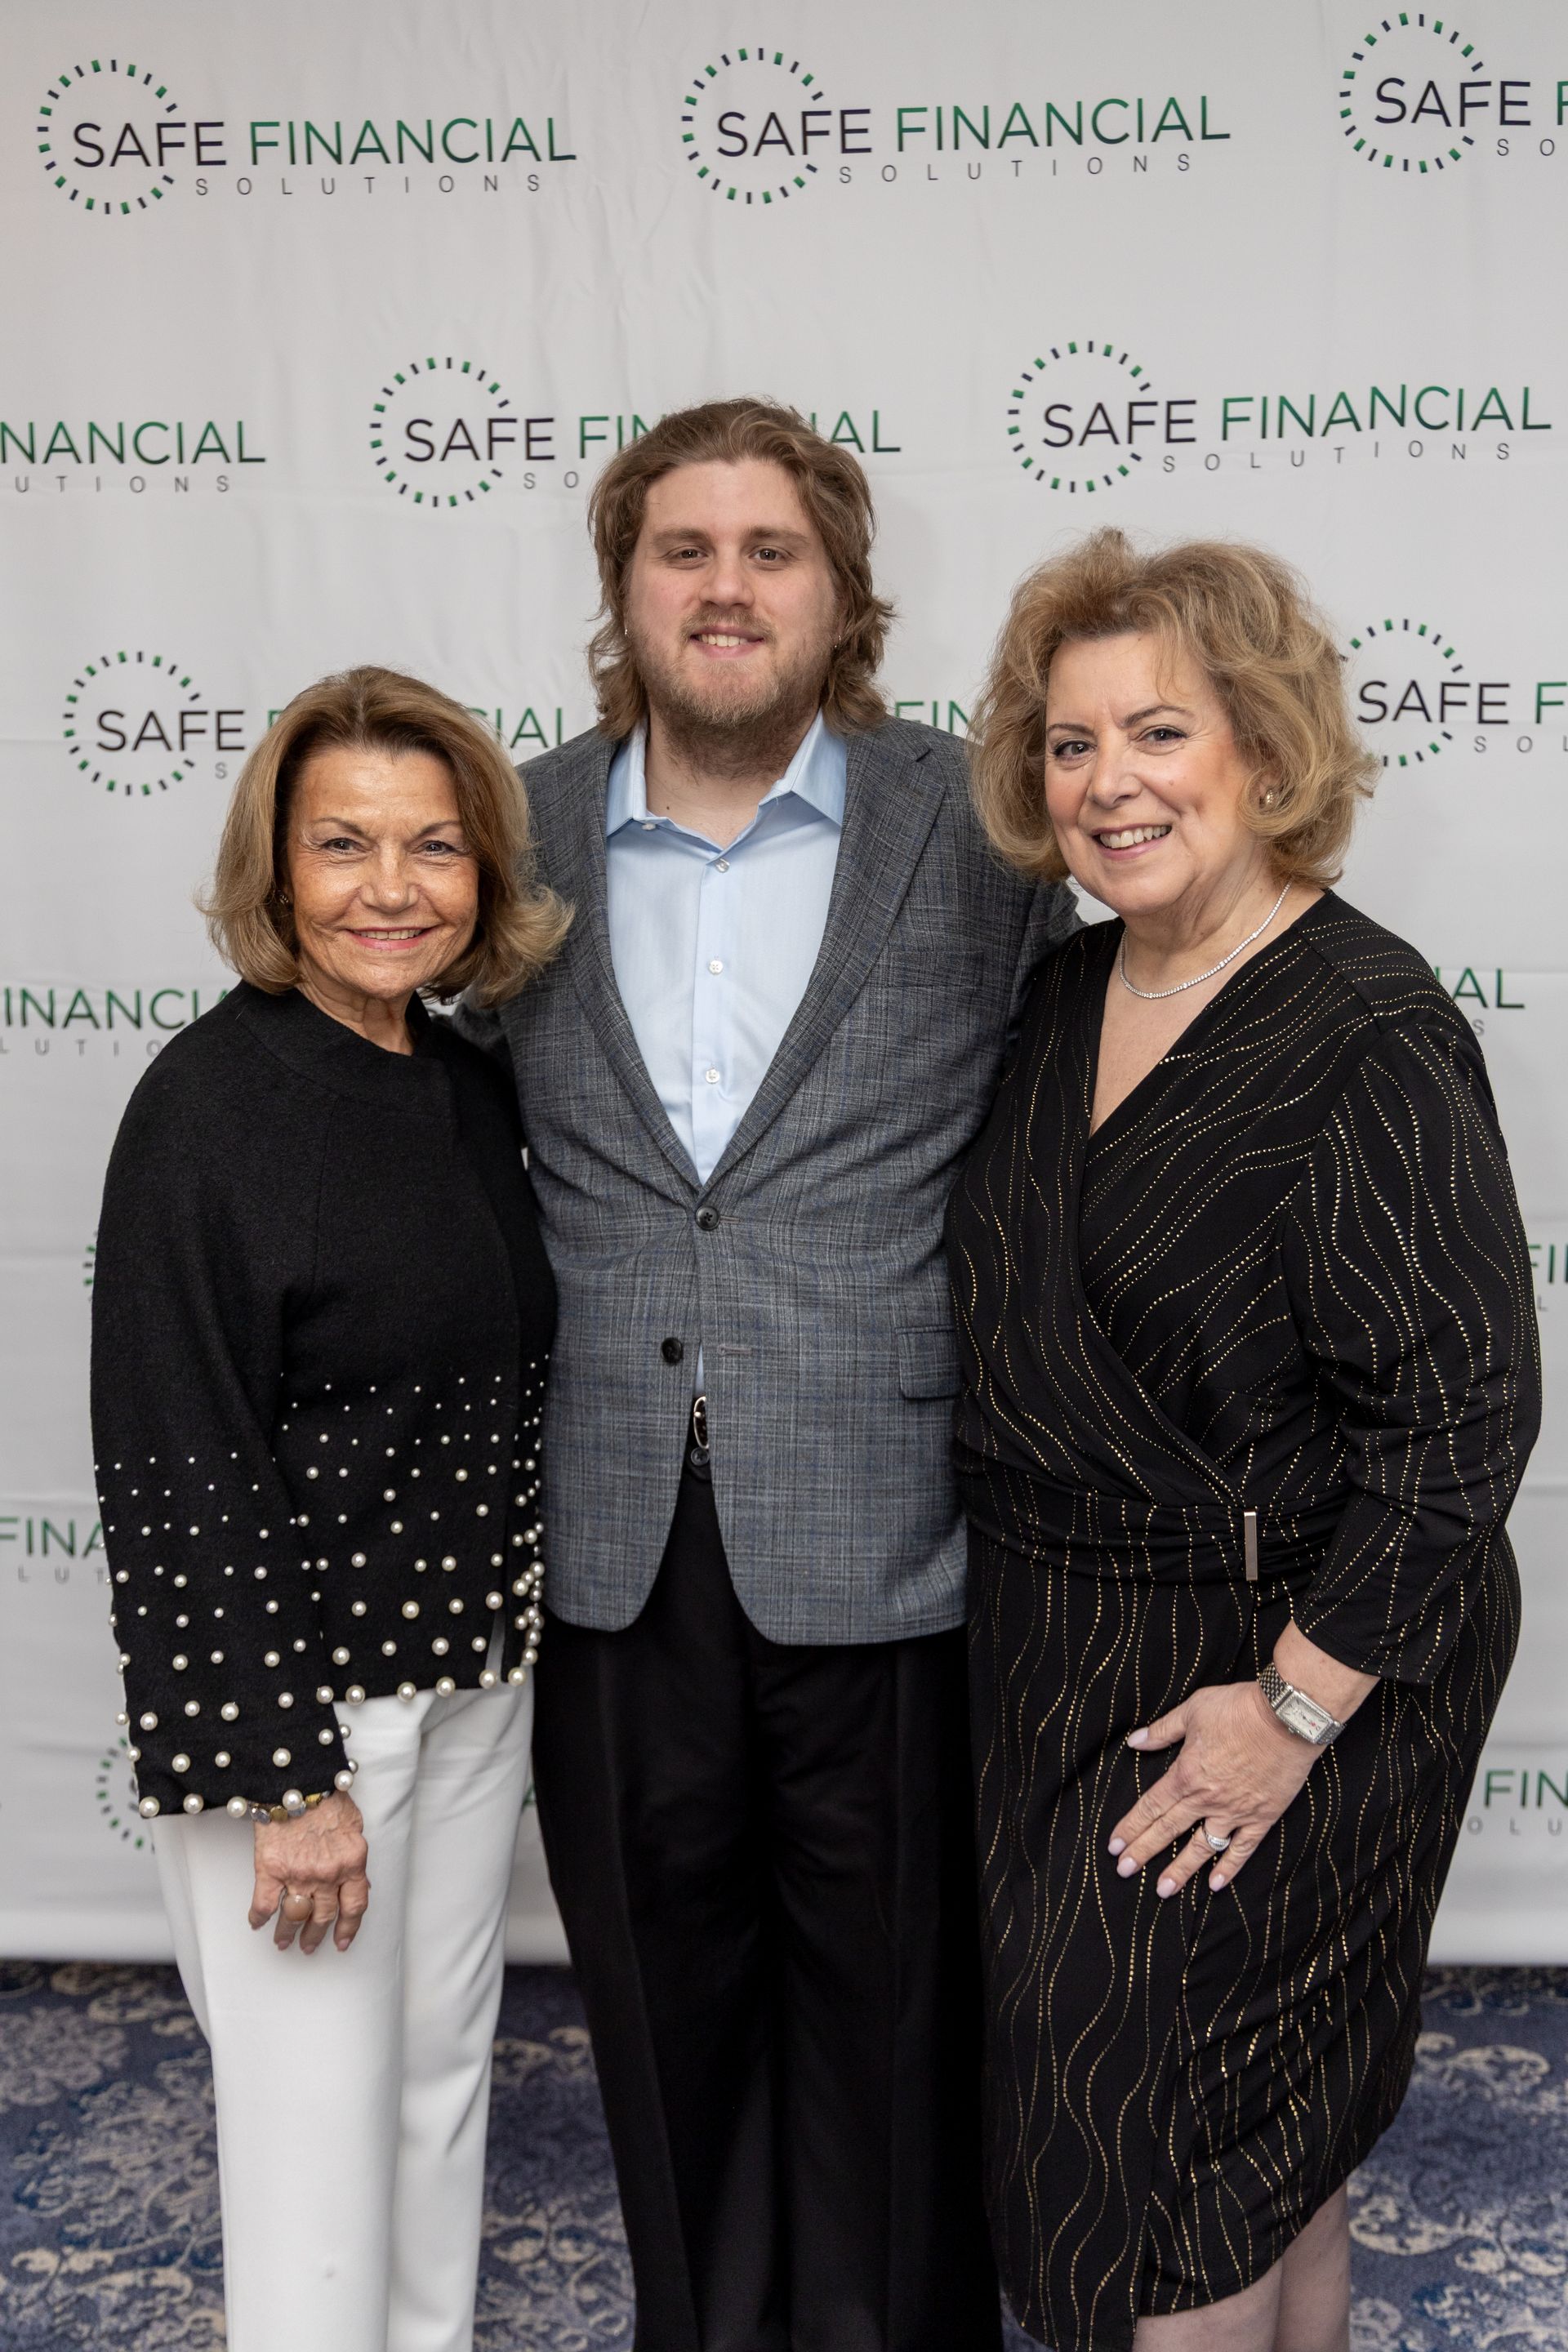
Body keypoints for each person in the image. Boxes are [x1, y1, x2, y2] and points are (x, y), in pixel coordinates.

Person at [456, 397, 1078, 2350]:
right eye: (684, 551)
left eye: (771, 552)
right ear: (624, 588)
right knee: (662, 2008)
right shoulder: (515, 831)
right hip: (616, 1524)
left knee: (896, 2013)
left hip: (888, 1522)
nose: (726, 587)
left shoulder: (977, 830)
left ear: (841, 593)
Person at [947, 528, 1541, 2352]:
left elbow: (1462, 1426)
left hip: (1301, 1653)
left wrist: (1289, 1716)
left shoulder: (1366, 1031)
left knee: (1182, 2159)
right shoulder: (1062, 989)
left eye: (1160, 733)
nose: (1108, 782)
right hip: (1065, 1641)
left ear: (1264, 755)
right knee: (1230, 2135)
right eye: (1070, 744)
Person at [91, 666, 568, 2352]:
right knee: (309, 2150)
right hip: (304, 1733)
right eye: (343, 844)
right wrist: (282, 1773)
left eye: (433, 847)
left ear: (485, 873)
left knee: (438, 2093)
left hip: (471, 1686)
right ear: (276, 867)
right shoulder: (210, 1109)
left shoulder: (462, 1080)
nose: (391, 888)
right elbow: (178, 1458)